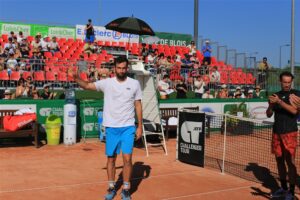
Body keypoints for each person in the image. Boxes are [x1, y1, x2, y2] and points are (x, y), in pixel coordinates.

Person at [69, 56, 142, 200]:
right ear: (114, 68)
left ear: (127, 68)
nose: (121, 71)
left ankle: (126, 189)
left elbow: (138, 104)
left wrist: (139, 126)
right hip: (111, 128)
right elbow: (88, 86)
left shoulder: (134, 84)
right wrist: (76, 78)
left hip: (128, 127)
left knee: (127, 159)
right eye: (119, 68)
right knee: (111, 159)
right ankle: (111, 188)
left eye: (124, 68)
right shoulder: (107, 83)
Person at [266, 71, 299, 200]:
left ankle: (291, 192)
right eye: (284, 82)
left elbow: (294, 111)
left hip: (290, 132)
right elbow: (269, 114)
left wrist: (279, 102)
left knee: (290, 162)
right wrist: (270, 105)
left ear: (291, 82)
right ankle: (283, 188)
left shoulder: (295, 94)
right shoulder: (276, 95)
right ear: (280, 82)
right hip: (276, 132)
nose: (286, 84)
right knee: (279, 161)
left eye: (288, 82)